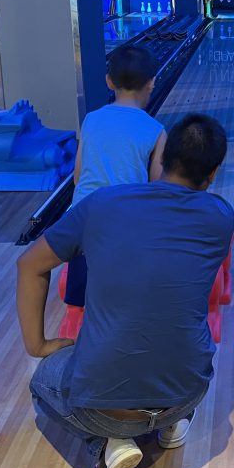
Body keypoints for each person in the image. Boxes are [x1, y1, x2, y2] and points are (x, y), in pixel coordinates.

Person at [16, 114, 234, 468]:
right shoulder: (220, 217)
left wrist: (38, 345)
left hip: (104, 411)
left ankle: (109, 443)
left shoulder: (102, 205)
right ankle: (170, 426)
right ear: (213, 173)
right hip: (186, 395)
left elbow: (29, 265)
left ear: (162, 156)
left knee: (41, 381)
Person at [62, 44, 167, 317]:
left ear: (109, 81)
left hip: (82, 222)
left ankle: (81, 306)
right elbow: (158, 188)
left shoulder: (91, 120)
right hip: (128, 224)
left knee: (82, 296)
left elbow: (78, 176)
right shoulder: (156, 130)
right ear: (151, 83)